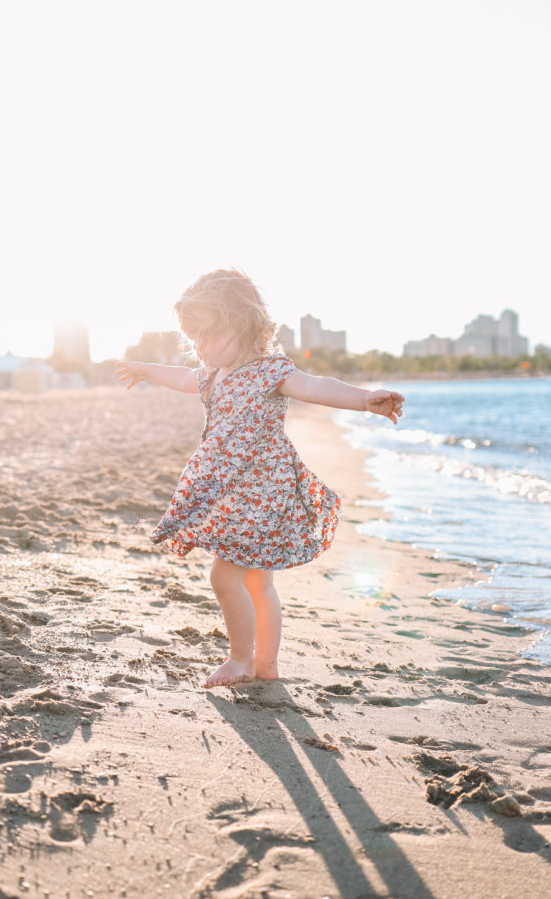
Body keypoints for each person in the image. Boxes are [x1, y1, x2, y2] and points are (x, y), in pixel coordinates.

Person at [115, 269, 404, 689]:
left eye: (207, 335)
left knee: (223, 576)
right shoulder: (211, 376)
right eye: (192, 338)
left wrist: (363, 399)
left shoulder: (270, 371)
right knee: (256, 580)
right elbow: (180, 377)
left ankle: (240, 659)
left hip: (262, 494)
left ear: (241, 325)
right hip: (231, 494)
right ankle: (266, 665)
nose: (198, 347)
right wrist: (146, 369)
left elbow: (315, 385)